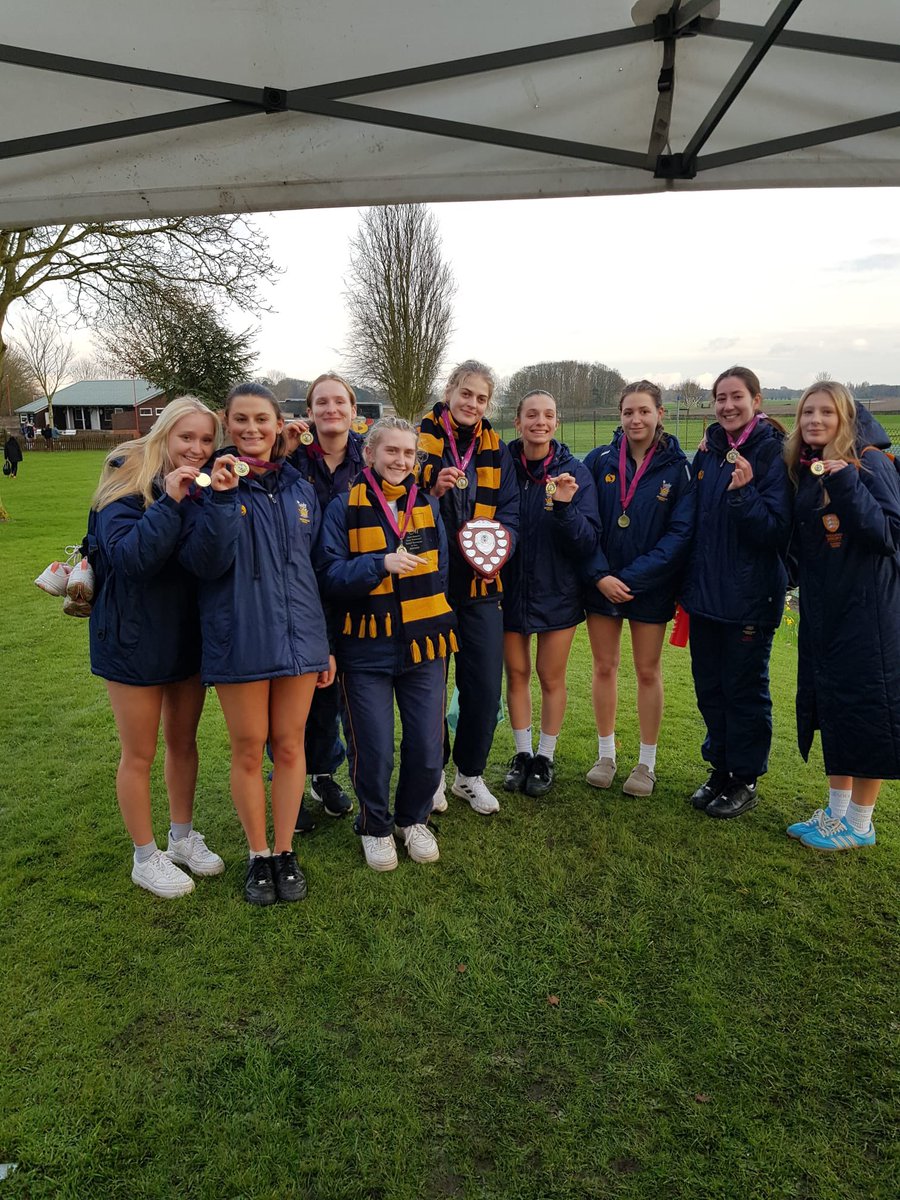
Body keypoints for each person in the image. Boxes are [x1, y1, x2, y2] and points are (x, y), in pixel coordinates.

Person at [180, 382, 334, 905]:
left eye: (262, 419)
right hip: (240, 637)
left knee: (290, 746)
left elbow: (314, 569)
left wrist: (323, 643)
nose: (252, 429)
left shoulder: (299, 488)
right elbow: (204, 564)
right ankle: (258, 855)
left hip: (300, 639)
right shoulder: (207, 485)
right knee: (248, 748)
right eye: (241, 419)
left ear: (277, 425)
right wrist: (223, 499)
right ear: (227, 423)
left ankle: (285, 851)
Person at [88, 396, 226, 898]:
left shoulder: (205, 487)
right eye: (186, 437)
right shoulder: (124, 482)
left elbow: (211, 559)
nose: (196, 448)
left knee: (184, 743)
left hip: (185, 634)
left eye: (206, 439)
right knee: (139, 753)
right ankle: (145, 857)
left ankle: (182, 838)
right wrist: (168, 501)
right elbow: (132, 560)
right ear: (164, 434)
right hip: (131, 636)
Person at [318, 417, 455, 870]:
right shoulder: (342, 507)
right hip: (365, 646)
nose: (400, 460)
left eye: (408, 453)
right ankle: (375, 826)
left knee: (428, 746)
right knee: (374, 749)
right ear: (369, 453)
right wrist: (379, 564)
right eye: (391, 451)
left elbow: (441, 571)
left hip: (424, 645)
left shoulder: (427, 505)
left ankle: (412, 820)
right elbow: (329, 576)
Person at [783, 382, 900, 850]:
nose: (815, 419)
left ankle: (861, 822)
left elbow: (887, 536)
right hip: (825, 610)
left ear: (846, 418)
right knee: (833, 708)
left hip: (868, 614)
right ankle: (836, 813)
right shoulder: (809, 467)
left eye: (826, 412)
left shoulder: (869, 462)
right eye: (807, 411)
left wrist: (846, 482)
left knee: (867, 710)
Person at [682, 366, 792, 819]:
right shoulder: (709, 451)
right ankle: (720, 769)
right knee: (710, 689)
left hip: (750, 597)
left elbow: (777, 532)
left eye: (736, 397)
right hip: (706, 596)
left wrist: (745, 495)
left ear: (756, 401)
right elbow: (695, 523)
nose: (727, 406)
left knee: (744, 691)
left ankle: (744, 779)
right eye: (720, 398)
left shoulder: (773, 453)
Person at [583, 380, 694, 795]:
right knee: (604, 667)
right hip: (602, 583)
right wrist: (600, 575)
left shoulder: (678, 468)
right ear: (620, 415)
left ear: (659, 414)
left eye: (644, 411)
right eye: (628, 412)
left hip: (650, 586)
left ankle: (646, 764)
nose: (636, 419)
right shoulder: (599, 460)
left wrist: (630, 579)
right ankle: (605, 755)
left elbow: (680, 536)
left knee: (648, 671)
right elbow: (584, 525)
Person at [418, 359, 520, 815]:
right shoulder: (420, 441)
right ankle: (433, 773)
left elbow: (511, 513)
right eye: (466, 394)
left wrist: (499, 552)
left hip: (483, 586)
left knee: (483, 688)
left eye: (481, 398)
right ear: (449, 392)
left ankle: (469, 775)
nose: (472, 404)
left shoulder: (498, 450)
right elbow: (397, 502)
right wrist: (432, 492)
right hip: (431, 587)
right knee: (430, 689)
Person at [501, 390, 599, 796]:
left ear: (557, 422)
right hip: (509, 589)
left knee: (550, 675)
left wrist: (564, 507)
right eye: (531, 415)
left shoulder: (575, 472)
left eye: (548, 415)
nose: (539, 422)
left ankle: (545, 757)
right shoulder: (502, 465)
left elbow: (587, 541)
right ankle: (522, 754)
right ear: (518, 421)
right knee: (517, 673)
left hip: (558, 590)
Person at [282, 372, 366, 828]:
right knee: (298, 695)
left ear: (353, 410)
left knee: (335, 692)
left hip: (354, 587)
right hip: (300, 589)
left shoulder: (367, 459)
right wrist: (281, 451)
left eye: (339, 402)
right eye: (322, 402)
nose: (331, 409)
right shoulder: (293, 458)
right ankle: (288, 785)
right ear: (310, 411)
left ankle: (322, 774)